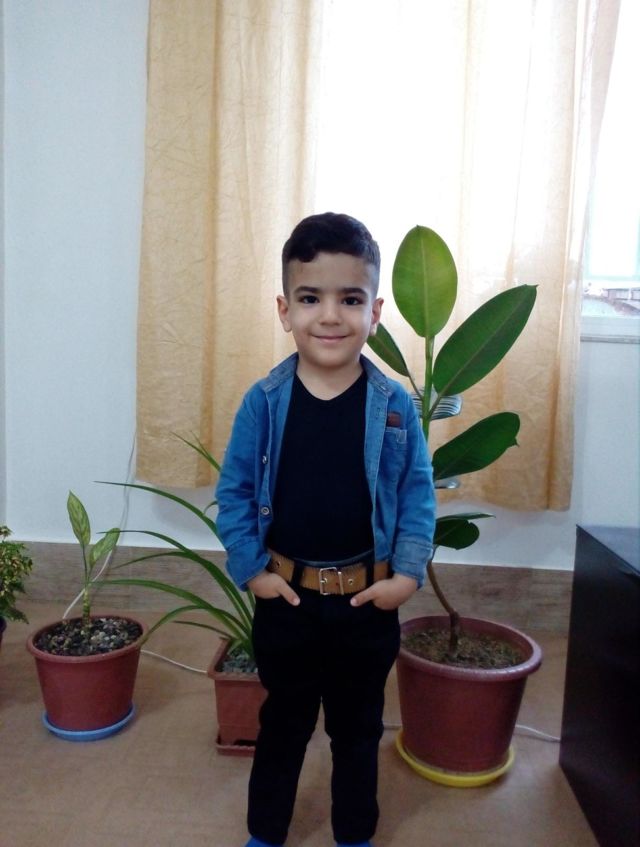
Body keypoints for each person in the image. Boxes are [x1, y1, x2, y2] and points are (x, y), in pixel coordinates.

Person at [216, 212, 436, 847]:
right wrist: (253, 571)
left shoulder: (395, 406)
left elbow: (417, 493)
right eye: (311, 298)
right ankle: (266, 834)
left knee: (358, 729)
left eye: (351, 299)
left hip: (368, 604)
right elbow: (234, 493)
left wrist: (407, 575)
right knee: (283, 724)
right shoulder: (263, 402)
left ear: (376, 312)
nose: (331, 316)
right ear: (285, 310)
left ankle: (354, 835)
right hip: (286, 601)